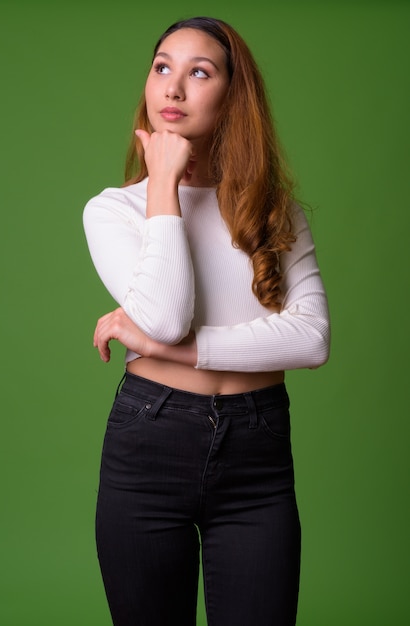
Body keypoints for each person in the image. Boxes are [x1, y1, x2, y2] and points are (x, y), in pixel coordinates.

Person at [83, 15, 330, 626]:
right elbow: (165, 319)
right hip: (150, 441)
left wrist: (182, 352)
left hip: (258, 452)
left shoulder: (277, 214)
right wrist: (162, 183)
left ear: (232, 95)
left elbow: (311, 337)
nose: (173, 88)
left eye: (200, 72)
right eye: (162, 67)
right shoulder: (113, 211)